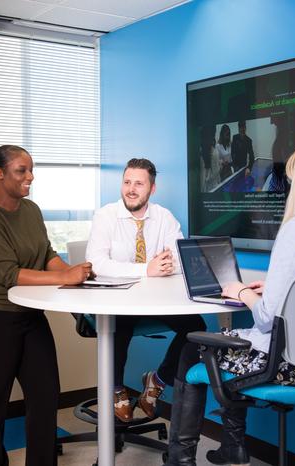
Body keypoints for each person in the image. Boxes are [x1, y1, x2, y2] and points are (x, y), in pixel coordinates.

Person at [164, 139, 295, 466]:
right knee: (228, 343)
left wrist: (240, 291)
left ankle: (180, 460)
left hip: (281, 368)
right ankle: (232, 448)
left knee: (190, 349)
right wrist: (286, 288)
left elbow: (267, 319)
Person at [0, 145, 93, 466]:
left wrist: (70, 273)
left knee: (45, 397)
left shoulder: (32, 210)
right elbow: (9, 275)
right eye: (21, 170)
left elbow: (46, 254)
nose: (30, 177)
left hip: (30, 317)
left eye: (31, 169)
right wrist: (65, 277)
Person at [86, 158, 207, 422]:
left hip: (156, 300)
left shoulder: (164, 218)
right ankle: (116, 388)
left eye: (138, 184)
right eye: (127, 182)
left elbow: (178, 259)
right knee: (118, 325)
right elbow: (97, 264)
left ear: (152, 188)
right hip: (117, 299)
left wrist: (161, 265)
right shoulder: (105, 216)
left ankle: (158, 380)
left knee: (196, 328)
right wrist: (147, 269)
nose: (131, 189)